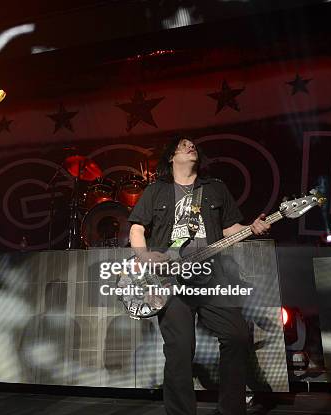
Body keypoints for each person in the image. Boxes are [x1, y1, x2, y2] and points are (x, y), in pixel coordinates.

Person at [128, 137, 270, 415]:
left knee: (238, 336)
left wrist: (252, 228)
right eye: (183, 145)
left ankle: (230, 410)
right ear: (171, 157)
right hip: (170, 279)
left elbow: (230, 228)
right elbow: (136, 228)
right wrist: (145, 256)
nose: (190, 146)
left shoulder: (215, 188)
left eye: (193, 144)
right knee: (179, 350)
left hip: (212, 276)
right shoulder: (156, 190)